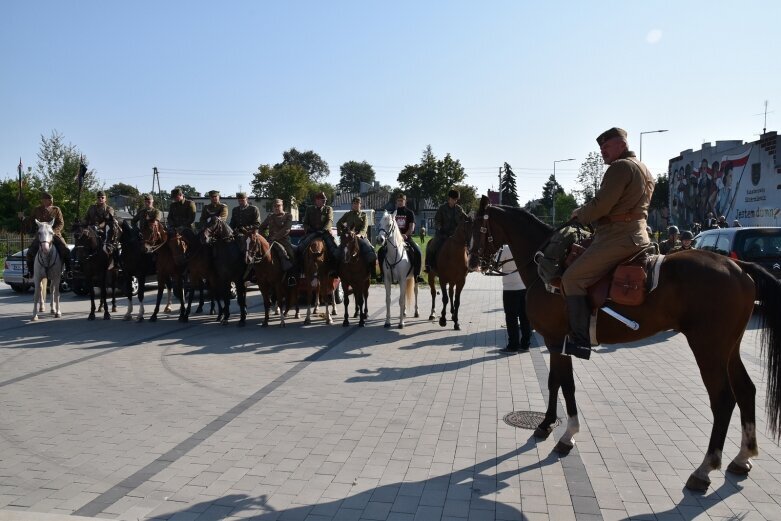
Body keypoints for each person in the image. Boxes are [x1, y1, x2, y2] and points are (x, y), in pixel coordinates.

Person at [555, 127, 654, 360]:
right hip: (638, 234)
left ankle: (580, 341)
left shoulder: (620, 167)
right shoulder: (644, 168)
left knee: (571, 278)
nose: (603, 152)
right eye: (601, 148)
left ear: (621, 144)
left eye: (606, 147)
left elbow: (602, 205)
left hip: (618, 237)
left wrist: (581, 214)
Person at [23, 192, 71, 278]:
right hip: (41, 235)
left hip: (54, 234)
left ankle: (68, 271)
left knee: (66, 249)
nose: (47, 201)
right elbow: (31, 220)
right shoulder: (37, 209)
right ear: (42, 200)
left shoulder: (56, 209)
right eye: (45, 199)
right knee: (30, 252)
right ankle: (30, 272)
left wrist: (53, 232)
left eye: (49, 200)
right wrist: (23, 218)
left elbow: (61, 223)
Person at [378, 193, 422, 282]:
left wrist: (405, 235)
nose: (400, 202)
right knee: (380, 252)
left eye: (402, 201)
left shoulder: (410, 213)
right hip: (392, 240)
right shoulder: (391, 214)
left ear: (405, 202)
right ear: (396, 202)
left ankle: (417, 275)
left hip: (406, 238)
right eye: (398, 201)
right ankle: (382, 274)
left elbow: (412, 227)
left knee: (418, 252)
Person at [497, 244, 531, 354]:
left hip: (510, 288)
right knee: (525, 317)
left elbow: (496, 265)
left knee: (511, 318)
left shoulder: (505, 248)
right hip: (525, 286)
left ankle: (513, 346)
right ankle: (525, 345)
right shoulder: (525, 246)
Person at [425, 189, 467, 273]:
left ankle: (468, 265)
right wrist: (440, 229)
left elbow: (465, 218)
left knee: (468, 246)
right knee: (431, 246)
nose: (454, 201)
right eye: (453, 199)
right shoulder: (442, 208)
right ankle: (429, 265)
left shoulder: (459, 209)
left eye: (456, 200)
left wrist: (470, 220)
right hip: (442, 234)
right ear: (449, 198)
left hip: (455, 235)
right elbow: (437, 220)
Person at [336, 196, 378, 278]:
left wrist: (360, 234)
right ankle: (336, 271)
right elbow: (338, 223)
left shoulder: (363, 215)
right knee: (337, 252)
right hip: (349, 238)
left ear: (360, 205)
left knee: (371, 251)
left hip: (360, 237)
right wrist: (341, 233)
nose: (355, 205)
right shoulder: (347, 214)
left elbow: (365, 227)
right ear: (352, 205)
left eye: (357, 203)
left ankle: (372, 273)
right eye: (354, 203)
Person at [259, 198, 296, 285]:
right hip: (270, 241)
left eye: (278, 206)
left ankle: (291, 277)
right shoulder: (270, 216)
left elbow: (286, 229)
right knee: (259, 254)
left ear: (282, 206)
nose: (276, 208)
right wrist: (264, 238)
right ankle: (257, 275)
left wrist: (275, 237)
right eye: (275, 206)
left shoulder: (288, 216)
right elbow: (261, 227)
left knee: (291, 255)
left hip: (284, 241)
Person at [299, 192, 339, 265]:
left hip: (324, 233)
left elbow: (330, 220)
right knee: (300, 248)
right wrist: (309, 229)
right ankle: (299, 268)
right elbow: (305, 223)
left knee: (335, 250)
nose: (324, 201)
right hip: (312, 233)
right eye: (322, 200)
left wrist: (324, 230)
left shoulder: (328, 209)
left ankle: (334, 268)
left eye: (325, 200)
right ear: (316, 200)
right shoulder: (309, 209)